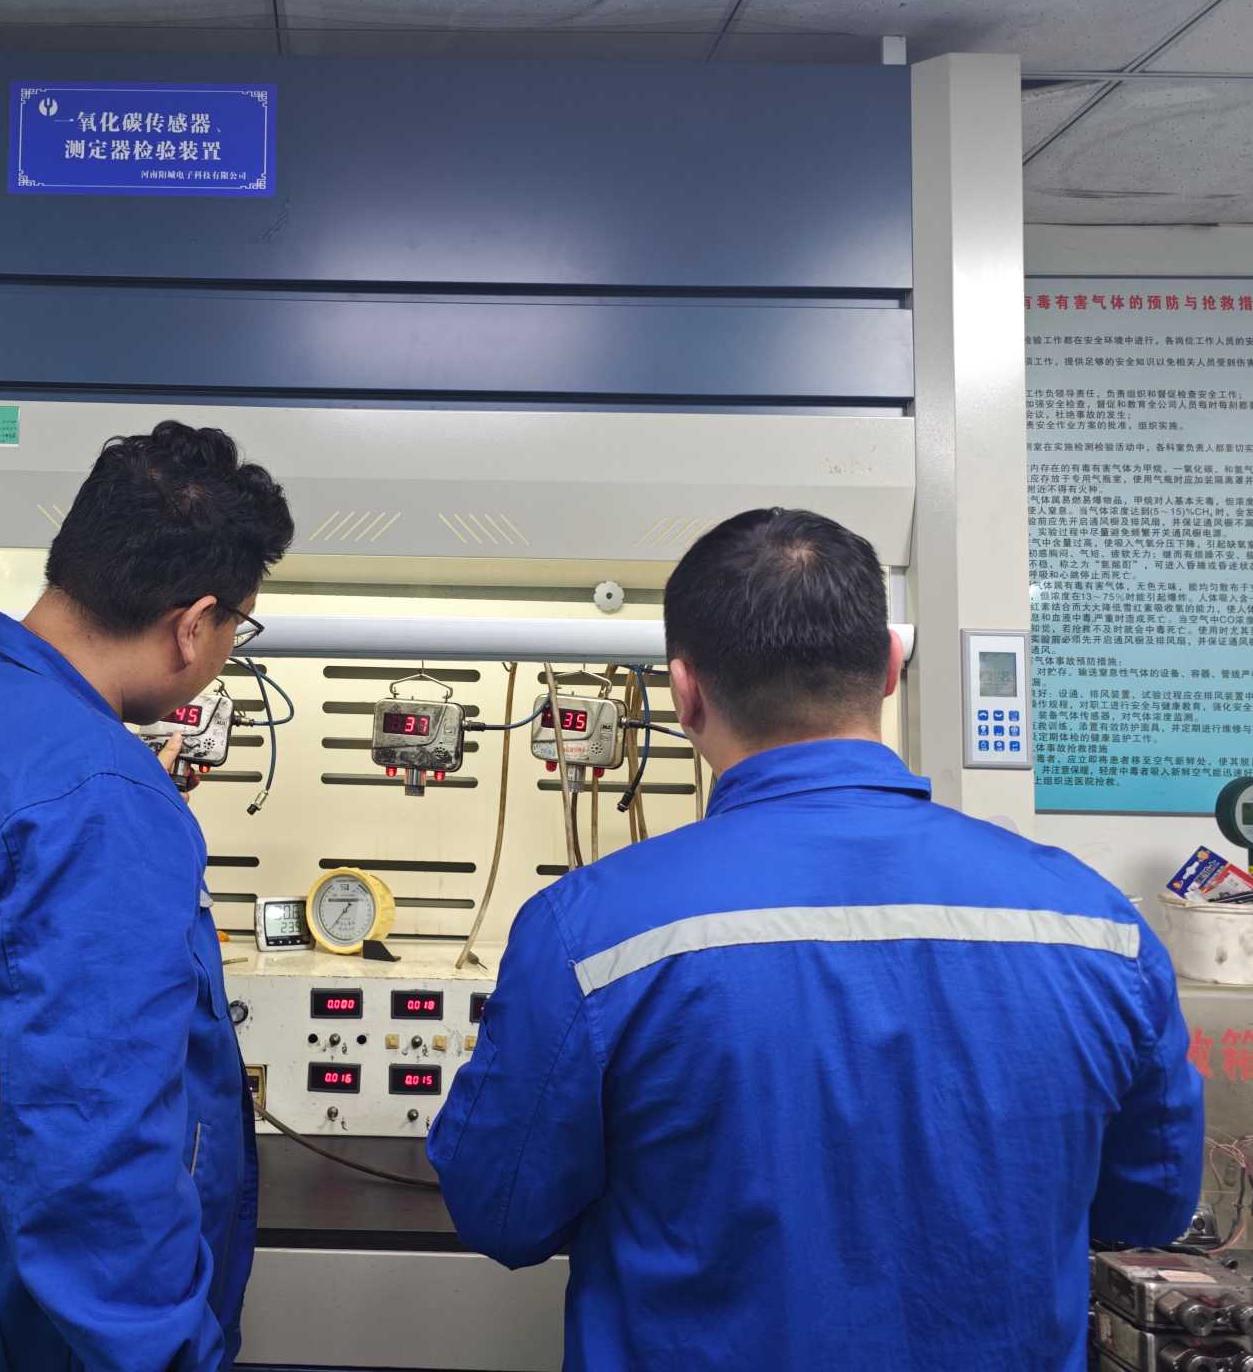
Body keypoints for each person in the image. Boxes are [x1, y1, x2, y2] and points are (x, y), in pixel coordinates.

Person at [428, 508, 1203, 1370]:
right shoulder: (1097, 927)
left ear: (684, 691)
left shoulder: (587, 933)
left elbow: (499, 1211)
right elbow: (1148, 1210)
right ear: (891, 668)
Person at [0, 420, 294, 1371]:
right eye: (237, 628)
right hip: (19, 1333)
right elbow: (96, 1150)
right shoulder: (95, 798)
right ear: (194, 623)